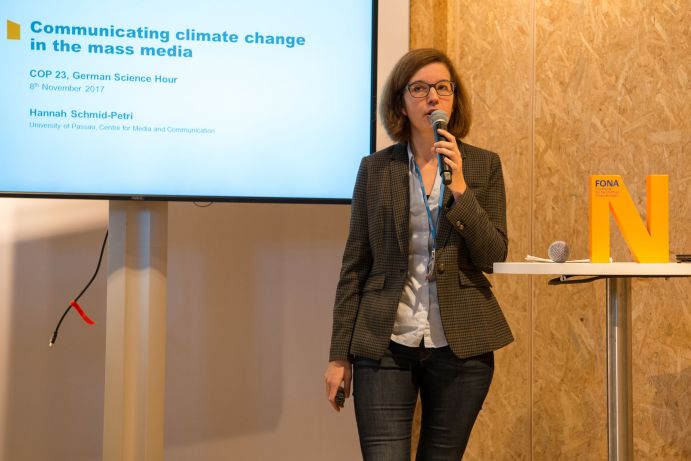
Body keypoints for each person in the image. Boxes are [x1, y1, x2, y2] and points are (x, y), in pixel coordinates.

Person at [324, 48, 514, 460]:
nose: (433, 98)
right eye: (420, 88)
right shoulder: (375, 169)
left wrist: (461, 190)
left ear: (454, 99)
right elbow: (354, 266)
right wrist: (339, 354)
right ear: (400, 102)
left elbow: (493, 255)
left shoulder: (483, 166)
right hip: (385, 342)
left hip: (460, 345)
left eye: (443, 88)